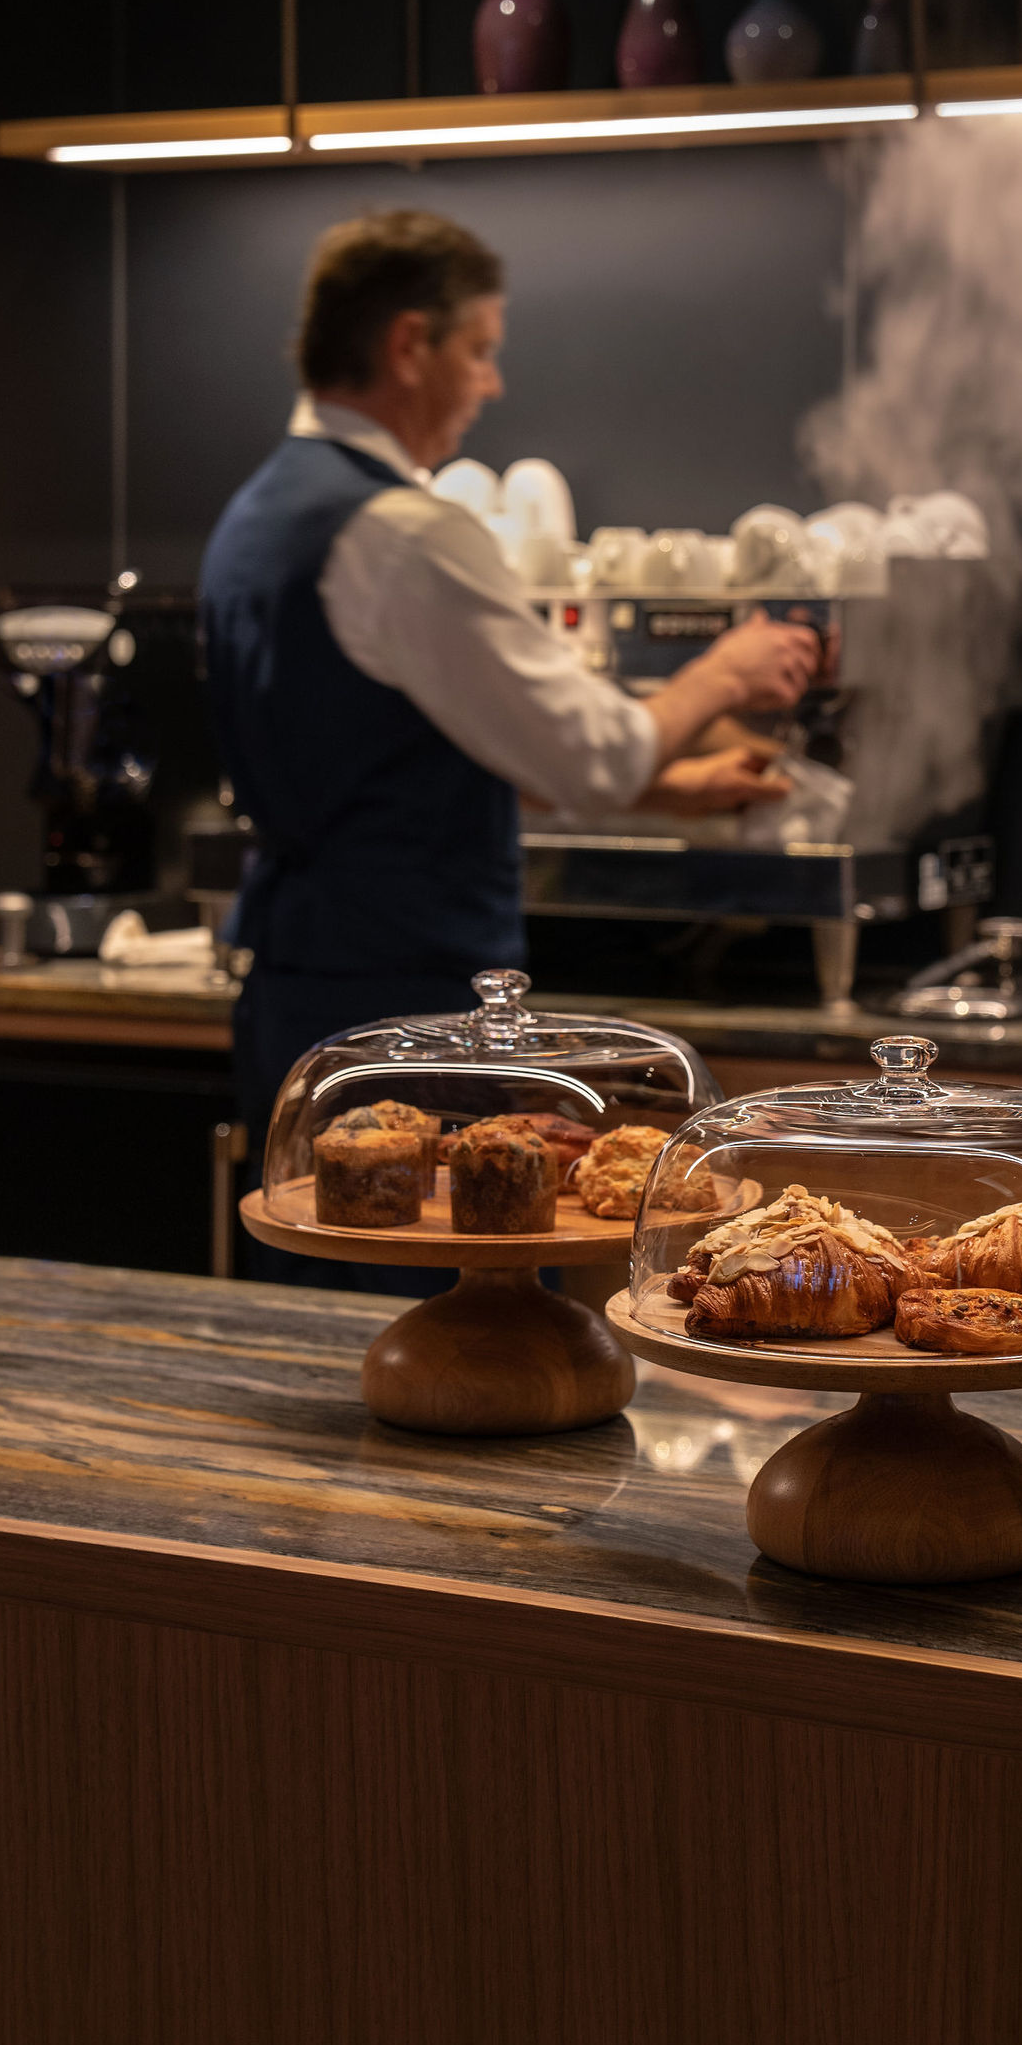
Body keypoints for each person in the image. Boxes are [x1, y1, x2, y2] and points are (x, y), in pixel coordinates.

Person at [201, 209, 818, 1258]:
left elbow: (416, 752)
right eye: (479, 350)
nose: (491, 382)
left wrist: (675, 787)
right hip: (408, 1014)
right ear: (408, 345)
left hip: (294, 991)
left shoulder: (258, 515)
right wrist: (724, 670)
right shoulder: (402, 532)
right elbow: (587, 751)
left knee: (317, 1324)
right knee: (444, 1336)